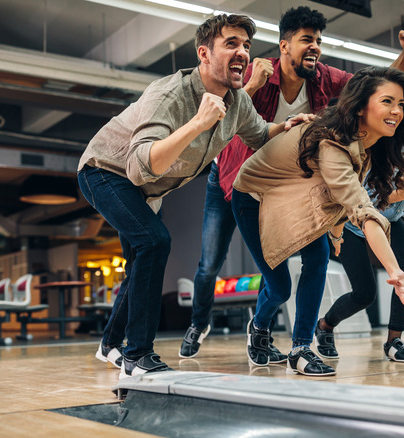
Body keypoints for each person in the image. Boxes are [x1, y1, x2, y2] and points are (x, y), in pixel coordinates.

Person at [179, 5, 404, 360]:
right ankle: (199, 323)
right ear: (283, 45)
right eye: (306, 40)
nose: (315, 47)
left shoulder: (325, 80)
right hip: (236, 180)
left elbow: (376, 90)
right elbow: (220, 118)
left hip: (292, 186)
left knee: (318, 258)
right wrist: (248, 86)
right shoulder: (259, 77)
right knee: (213, 264)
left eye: (319, 41)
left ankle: (300, 346)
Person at [82, 14, 311, 377]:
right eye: (231, 44)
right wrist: (198, 124)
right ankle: (137, 355)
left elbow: (258, 133)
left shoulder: (236, 101)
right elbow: (140, 165)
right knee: (154, 242)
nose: (242, 53)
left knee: (141, 257)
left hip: (142, 190)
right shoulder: (169, 93)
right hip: (105, 170)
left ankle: (110, 344)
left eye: (246, 46)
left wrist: (286, 126)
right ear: (204, 53)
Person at [232, 67, 404, 376]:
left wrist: (335, 234)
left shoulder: (367, 145)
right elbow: (359, 206)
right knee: (280, 287)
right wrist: (395, 271)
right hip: (254, 197)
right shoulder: (333, 142)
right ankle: (259, 327)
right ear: (362, 106)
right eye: (387, 101)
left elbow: (340, 198)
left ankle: (300, 349)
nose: (396, 111)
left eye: (401, 104)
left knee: (318, 258)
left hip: (297, 197)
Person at [314, 75, 404, 363]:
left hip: (392, 219)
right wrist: (397, 194)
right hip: (356, 223)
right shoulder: (390, 137)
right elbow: (361, 198)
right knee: (364, 294)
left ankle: (395, 341)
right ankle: (325, 326)